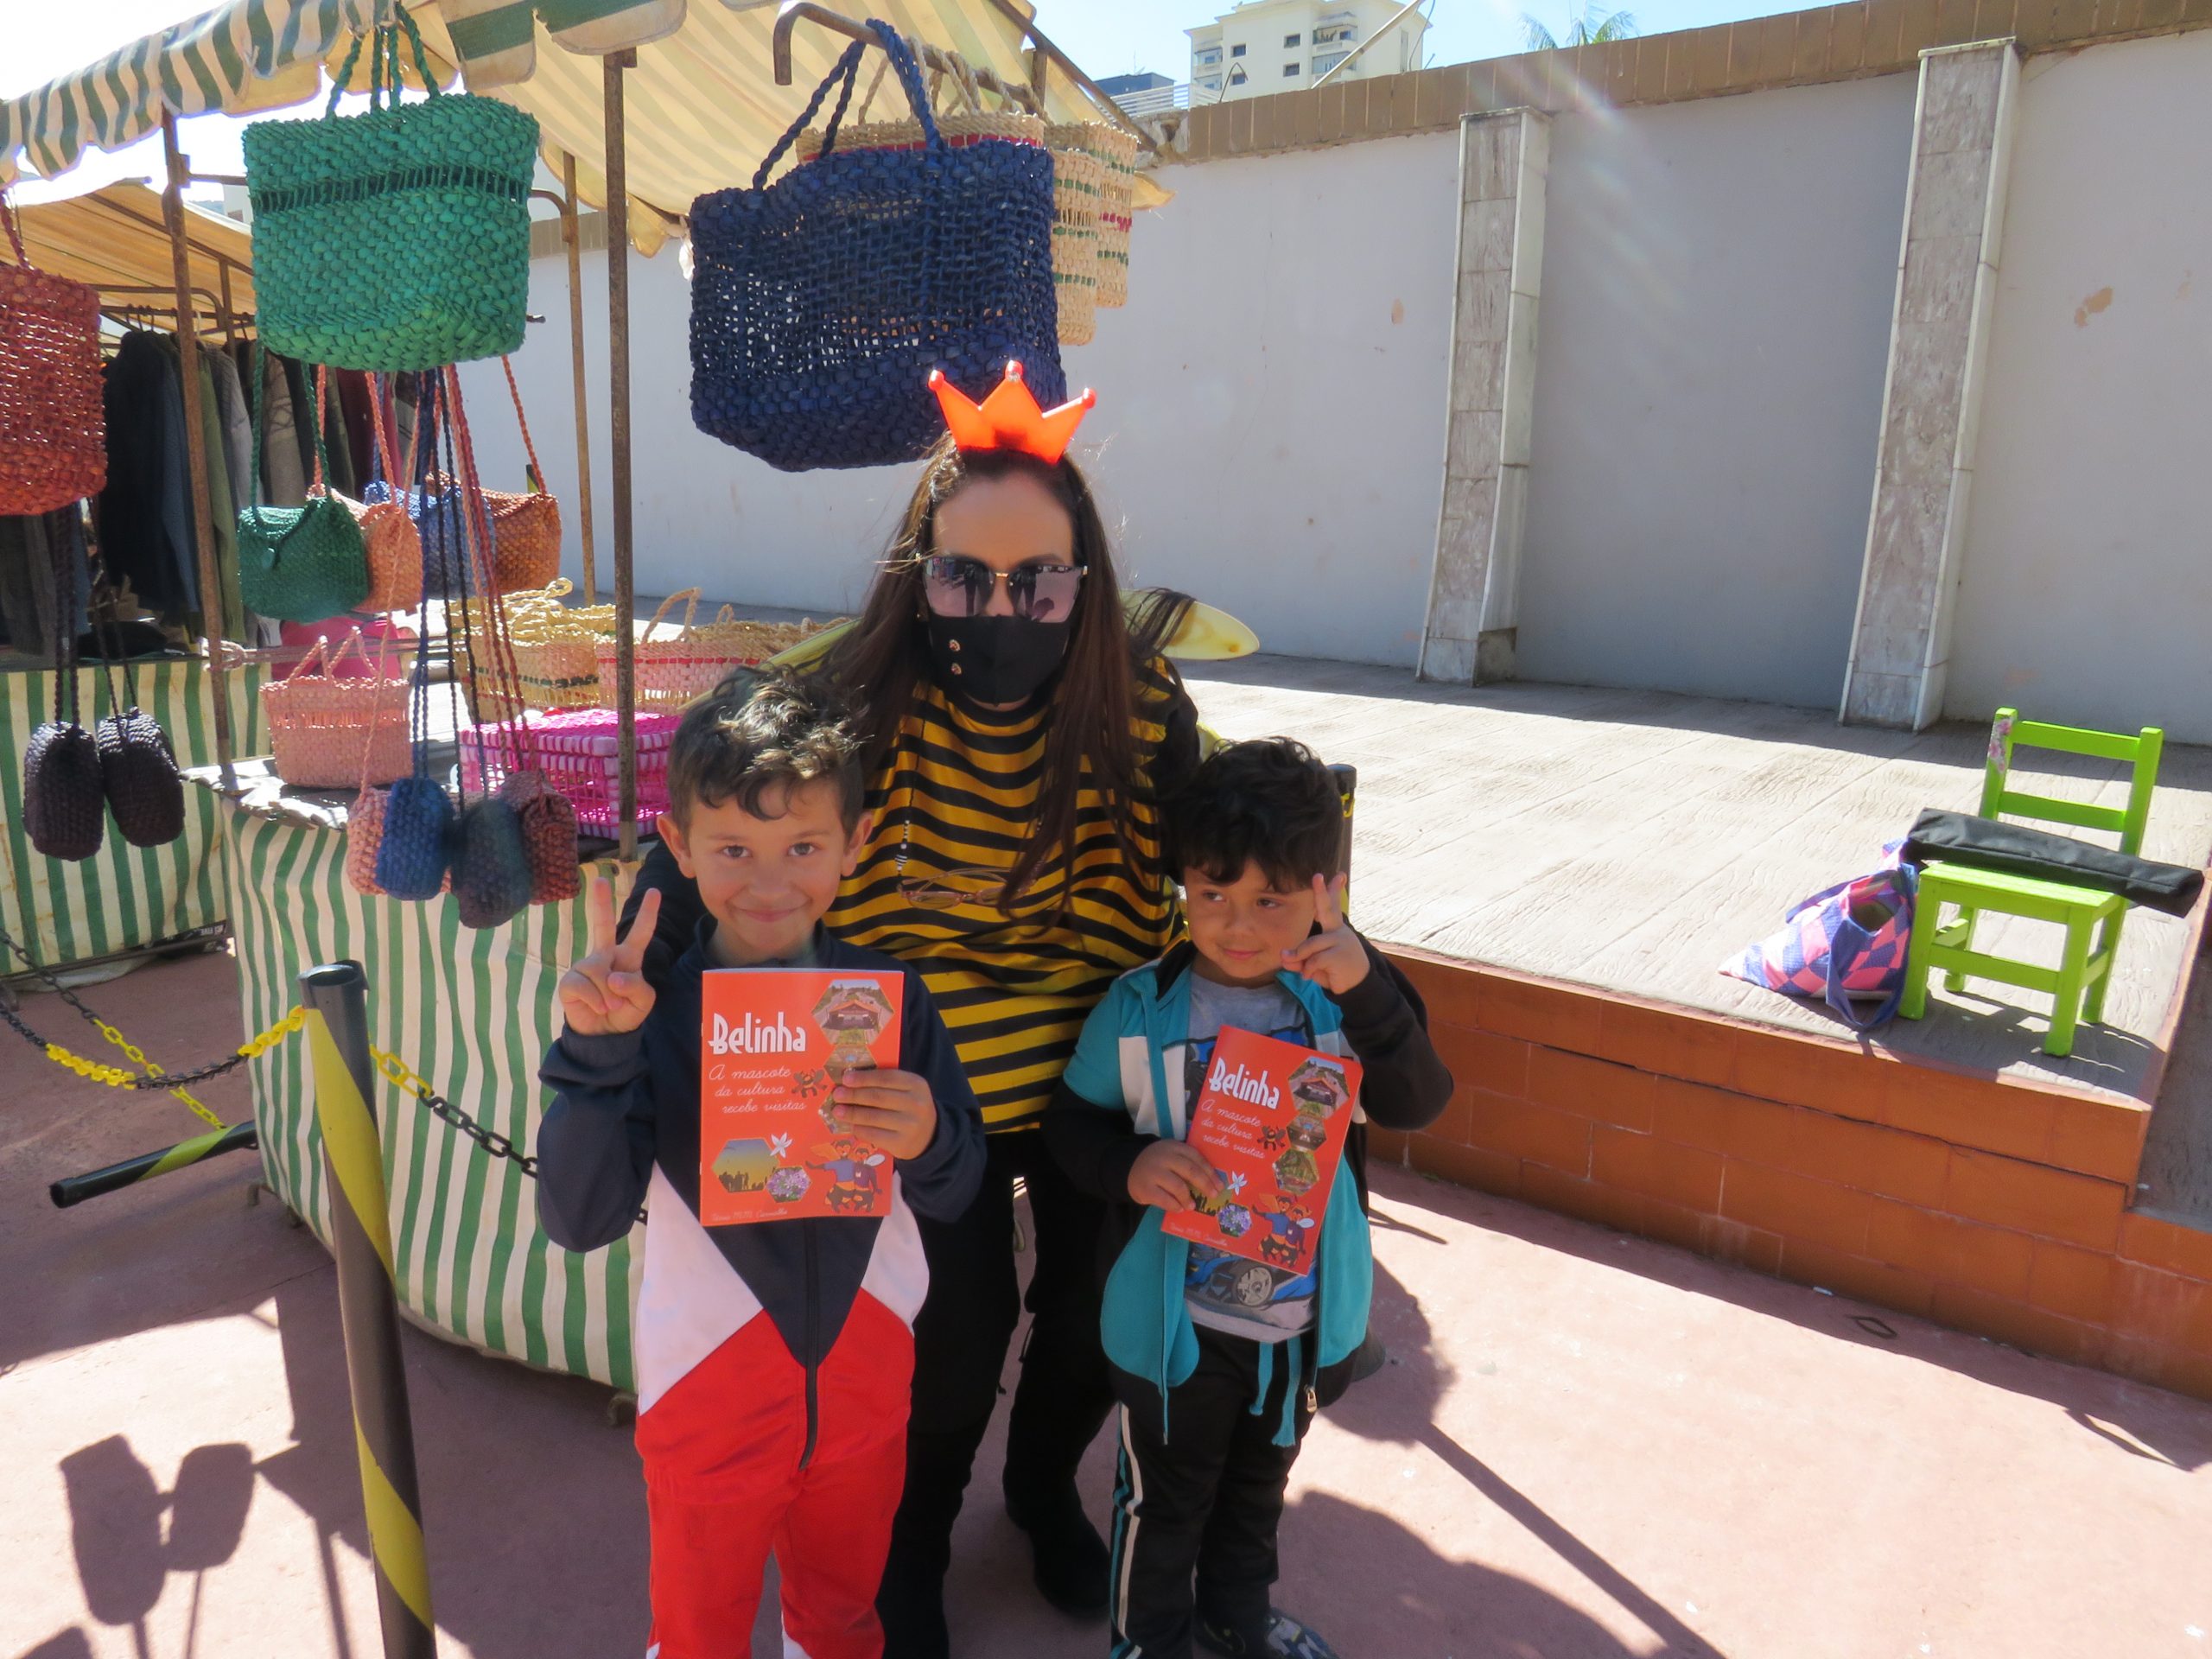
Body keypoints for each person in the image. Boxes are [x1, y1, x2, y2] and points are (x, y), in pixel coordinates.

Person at [621, 363, 1204, 1655]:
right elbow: (712, 839)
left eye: (1037, 584)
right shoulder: (851, 704)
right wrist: (631, 994)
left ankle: (1042, 1488)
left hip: (1088, 1076)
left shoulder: (1145, 709)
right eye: (961, 579)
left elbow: (1219, 864)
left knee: (1094, 1309)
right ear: (915, 575)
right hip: (904, 1080)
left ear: (1083, 584)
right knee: (950, 1329)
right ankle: (915, 1539)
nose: (999, 611)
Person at [537, 680, 986, 1659]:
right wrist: (596, 1055)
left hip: (866, 1391)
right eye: (734, 849)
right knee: (698, 1635)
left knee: (841, 1622)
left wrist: (929, 1137)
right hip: (708, 1395)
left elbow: (960, 1189)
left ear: (856, 843)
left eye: (803, 848)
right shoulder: (648, 1014)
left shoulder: (893, 1003)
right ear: (679, 843)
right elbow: (578, 1218)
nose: (770, 883)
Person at [1043, 738, 1453, 1659]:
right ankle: (1148, 1643)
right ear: (1183, 885)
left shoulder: (1344, 1001)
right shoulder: (1139, 1008)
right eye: (1213, 893)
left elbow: (1418, 1100)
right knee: (1163, 1502)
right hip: (1175, 1330)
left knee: (1256, 1494)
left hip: (1298, 1325)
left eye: (1271, 900)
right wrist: (1130, 1167)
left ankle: (1235, 1621)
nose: (1236, 925)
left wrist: (1369, 989)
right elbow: (1069, 1127)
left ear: (1325, 892)